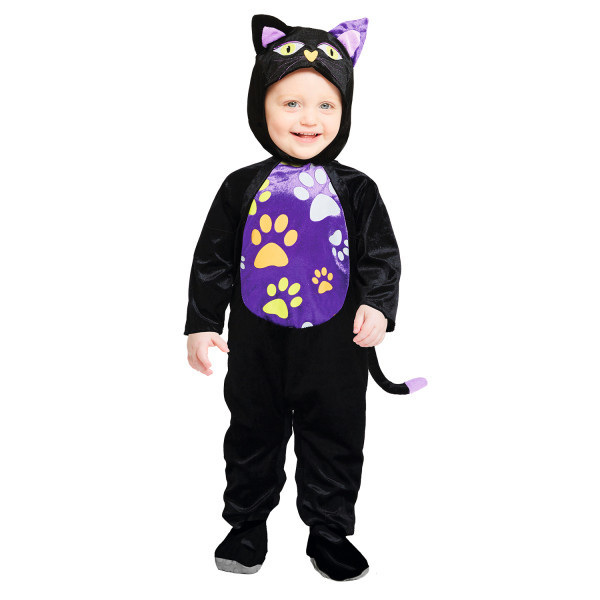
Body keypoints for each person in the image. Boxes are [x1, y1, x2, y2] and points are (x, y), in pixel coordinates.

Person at [184, 14, 426, 582]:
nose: (308, 119)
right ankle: (246, 524)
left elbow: (380, 256)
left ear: (344, 113)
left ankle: (329, 530)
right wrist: (201, 322)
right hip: (256, 340)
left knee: (335, 432)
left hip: (336, 343)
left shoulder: (357, 188)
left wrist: (378, 306)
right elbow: (213, 258)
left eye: (325, 105)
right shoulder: (240, 186)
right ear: (260, 107)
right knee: (252, 429)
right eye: (290, 103)